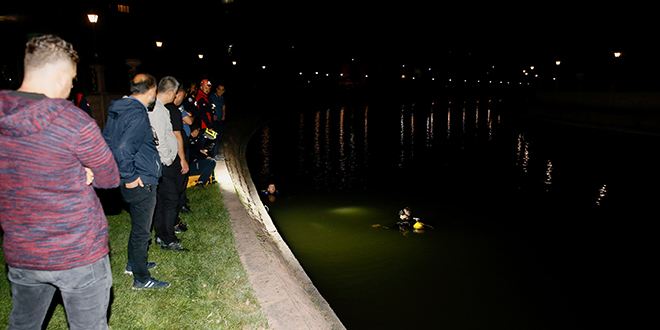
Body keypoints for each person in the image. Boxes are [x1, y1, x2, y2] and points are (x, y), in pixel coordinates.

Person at [0, 34, 119, 329]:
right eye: (73, 79)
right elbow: (109, 176)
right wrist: (82, 173)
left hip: (23, 251)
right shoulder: (73, 121)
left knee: (23, 325)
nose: (71, 88)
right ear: (60, 75)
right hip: (78, 251)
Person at [103, 73, 170, 289]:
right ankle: (141, 278)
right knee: (142, 231)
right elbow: (123, 148)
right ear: (150, 90)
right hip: (142, 181)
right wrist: (130, 176)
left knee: (138, 225)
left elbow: (107, 141)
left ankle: (134, 263)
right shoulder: (138, 113)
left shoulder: (119, 109)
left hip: (131, 177)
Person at [149, 76, 189, 251]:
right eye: (175, 94)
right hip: (163, 163)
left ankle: (161, 235)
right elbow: (159, 139)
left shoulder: (160, 108)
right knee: (171, 200)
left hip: (163, 162)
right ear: (171, 92)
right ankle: (168, 239)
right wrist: (167, 159)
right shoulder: (157, 111)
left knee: (163, 200)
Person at [188, 121, 217, 187]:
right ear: (195, 131)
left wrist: (200, 151)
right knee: (211, 162)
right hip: (190, 166)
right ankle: (201, 182)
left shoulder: (188, 139)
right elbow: (194, 153)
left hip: (189, 164)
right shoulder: (190, 141)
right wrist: (205, 157)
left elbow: (195, 151)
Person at [209, 83, 225, 159]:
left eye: (222, 90)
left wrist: (224, 114)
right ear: (216, 89)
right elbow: (208, 107)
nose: (220, 91)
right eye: (219, 89)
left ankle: (216, 153)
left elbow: (223, 106)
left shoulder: (221, 98)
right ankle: (212, 154)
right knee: (213, 136)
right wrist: (211, 116)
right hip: (213, 121)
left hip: (220, 120)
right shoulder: (212, 97)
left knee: (219, 136)